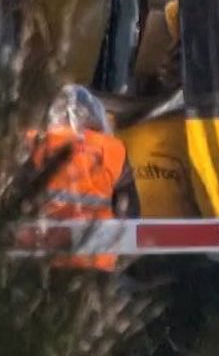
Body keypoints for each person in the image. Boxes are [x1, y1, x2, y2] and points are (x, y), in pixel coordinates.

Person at [27, 83, 138, 270]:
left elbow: (15, 195)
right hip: (98, 259)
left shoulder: (38, 143)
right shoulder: (114, 150)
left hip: (50, 258)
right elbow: (131, 210)